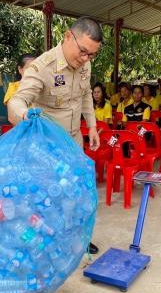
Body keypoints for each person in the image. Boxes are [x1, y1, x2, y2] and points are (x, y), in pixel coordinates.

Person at [8, 16, 102, 254]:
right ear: (68, 36)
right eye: (83, 52)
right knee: (46, 198)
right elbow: (16, 101)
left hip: (74, 141)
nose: (85, 59)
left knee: (75, 195)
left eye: (91, 55)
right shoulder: (42, 67)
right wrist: (24, 115)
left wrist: (91, 125)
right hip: (47, 148)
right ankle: (43, 245)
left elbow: (85, 95)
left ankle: (75, 240)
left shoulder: (85, 64)